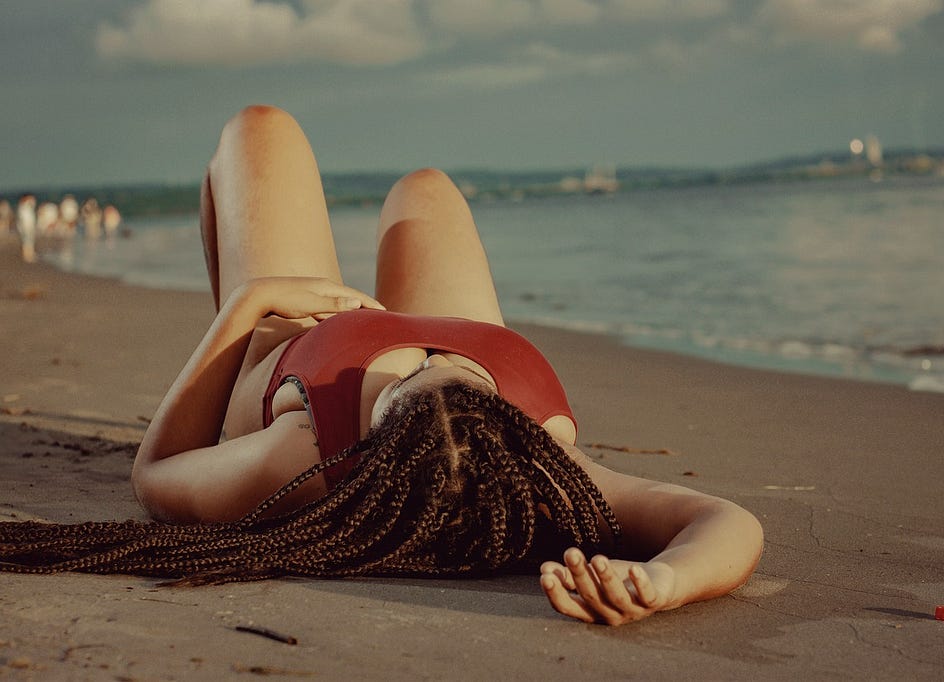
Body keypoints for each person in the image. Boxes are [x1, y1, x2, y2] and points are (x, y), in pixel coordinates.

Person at [0, 106, 762, 626]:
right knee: (424, 187)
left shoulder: (305, 455)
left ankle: (230, 351)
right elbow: (726, 521)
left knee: (258, 130)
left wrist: (245, 306)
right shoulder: (546, 465)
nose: (432, 368)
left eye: (414, 386)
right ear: (507, 428)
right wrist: (666, 581)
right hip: (499, 353)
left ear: (373, 447)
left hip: (299, 342)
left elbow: (155, 472)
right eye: (454, 387)